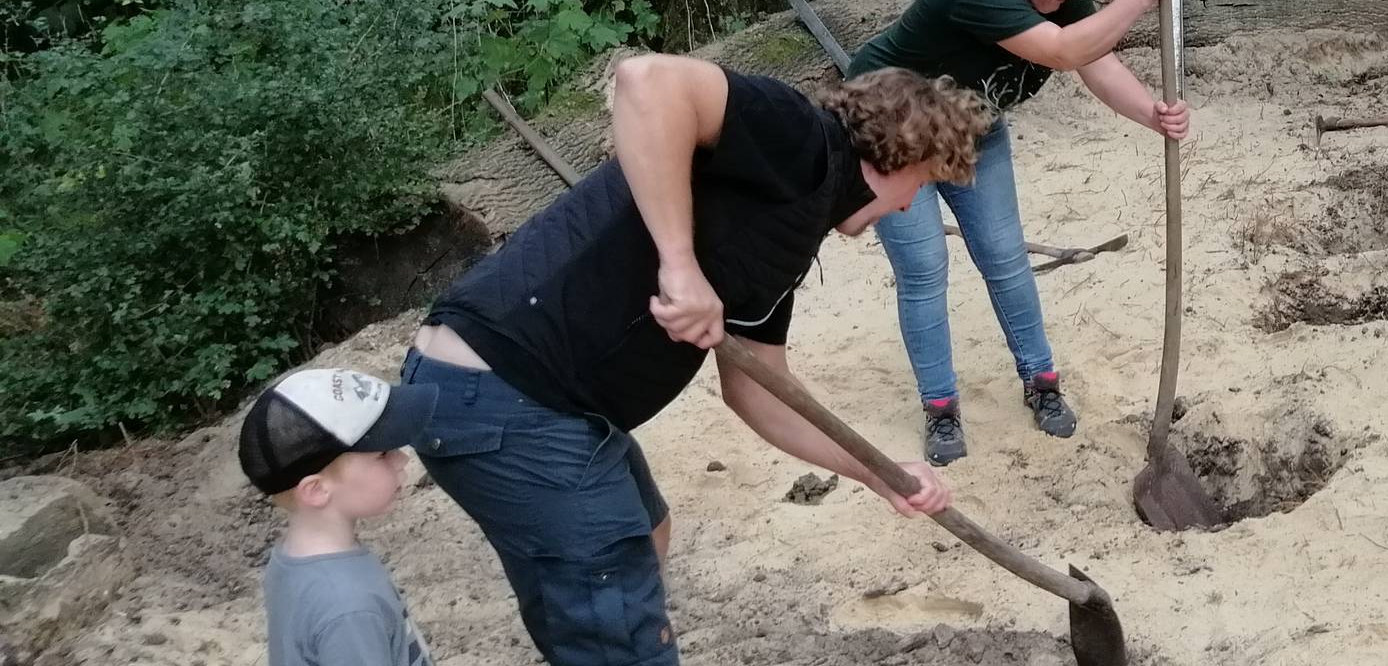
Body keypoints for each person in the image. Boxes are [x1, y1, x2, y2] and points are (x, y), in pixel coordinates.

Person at [404, 58, 987, 666]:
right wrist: (679, 265)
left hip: (559, 407)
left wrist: (876, 472)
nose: (908, 207)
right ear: (899, 154)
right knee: (621, 626)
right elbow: (647, 81)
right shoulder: (800, 138)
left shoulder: (796, 221)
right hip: (503, 392)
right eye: (922, 183)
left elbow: (758, 390)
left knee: (646, 535)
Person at [844, 0, 1191, 465]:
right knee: (925, 267)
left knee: (1005, 255)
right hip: (891, 133)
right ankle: (941, 409)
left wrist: (1149, 113)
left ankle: (1041, 382)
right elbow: (1061, 51)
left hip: (974, 131)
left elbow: (1094, 59)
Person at [241, 367, 442, 666]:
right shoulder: (349, 607)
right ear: (317, 490)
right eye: (382, 454)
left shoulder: (293, 561)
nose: (402, 458)